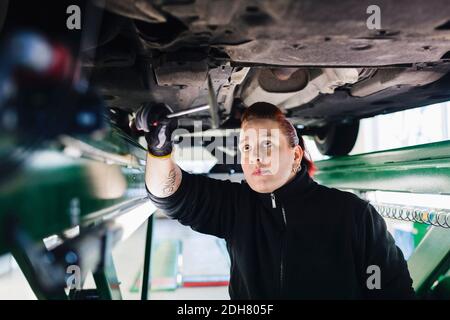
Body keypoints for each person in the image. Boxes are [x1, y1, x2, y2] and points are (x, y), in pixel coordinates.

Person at [135, 101, 415, 300]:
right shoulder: (235, 207)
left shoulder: (353, 214)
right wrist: (159, 147)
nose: (255, 157)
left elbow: (393, 290)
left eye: (267, 144)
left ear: (295, 155)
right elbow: (168, 193)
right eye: (246, 147)